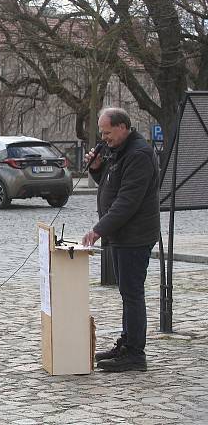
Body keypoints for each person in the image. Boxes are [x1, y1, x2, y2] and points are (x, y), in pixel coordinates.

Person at [82, 107, 160, 373]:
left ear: (123, 127)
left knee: (132, 293)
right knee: (127, 293)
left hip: (135, 236)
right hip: (122, 235)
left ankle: (135, 354)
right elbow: (109, 184)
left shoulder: (138, 154)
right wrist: (96, 168)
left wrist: (98, 230)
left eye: (107, 132)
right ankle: (126, 343)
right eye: (102, 133)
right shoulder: (119, 151)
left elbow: (127, 201)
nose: (104, 138)